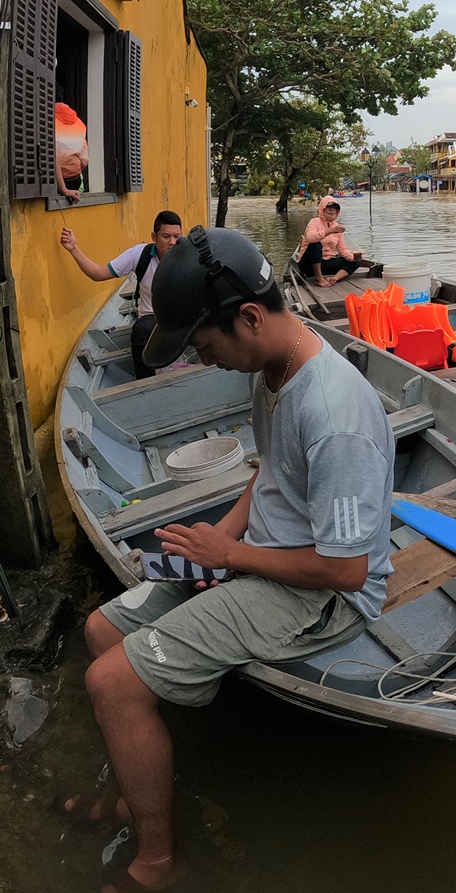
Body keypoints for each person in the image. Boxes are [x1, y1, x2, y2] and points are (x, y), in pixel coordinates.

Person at [70, 226, 394, 893]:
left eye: (204, 343)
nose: (202, 358)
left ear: (248, 317)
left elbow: (347, 572)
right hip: (259, 556)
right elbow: (271, 472)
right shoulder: (275, 369)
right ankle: (141, 793)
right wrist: (219, 542)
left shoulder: (335, 412)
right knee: (100, 630)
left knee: (112, 683)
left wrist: (233, 553)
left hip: (318, 594)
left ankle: (159, 858)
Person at [60, 210, 184, 379]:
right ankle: (145, 384)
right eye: (166, 236)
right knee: (140, 331)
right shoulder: (139, 255)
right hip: (153, 319)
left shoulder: (189, 255)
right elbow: (98, 273)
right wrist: (73, 248)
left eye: (177, 237)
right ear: (154, 237)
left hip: (184, 317)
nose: (172, 242)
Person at [296, 197, 374, 287]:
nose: (332, 209)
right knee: (315, 244)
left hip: (325, 263)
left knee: (356, 262)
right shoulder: (314, 222)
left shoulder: (337, 227)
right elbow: (309, 238)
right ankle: (319, 278)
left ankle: (334, 278)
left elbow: (342, 249)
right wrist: (330, 231)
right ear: (323, 209)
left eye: (335, 207)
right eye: (329, 207)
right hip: (308, 266)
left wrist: (353, 257)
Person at [55, 101, 88, 205]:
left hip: (56, 182)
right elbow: (84, 160)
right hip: (75, 179)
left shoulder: (48, 122)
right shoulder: (79, 124)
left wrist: (64, 189)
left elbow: (53, 158)